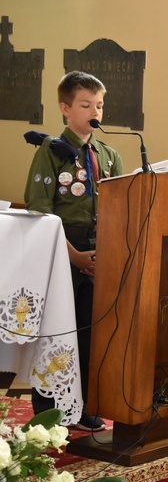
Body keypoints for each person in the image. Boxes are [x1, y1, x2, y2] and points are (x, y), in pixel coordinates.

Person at [24, 71, 124, 431]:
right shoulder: (51, 152)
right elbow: (40, 215)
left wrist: (105, 255)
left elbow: (120, 208)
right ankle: (48, 412)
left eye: (99, 104)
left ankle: (80, 406)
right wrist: (75, 256)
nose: (95, 111)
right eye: (85, 105)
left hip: (99, 255)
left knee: (88, 332)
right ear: (66, 109)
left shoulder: (109, 155)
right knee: (57, 333)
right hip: (61, 252)